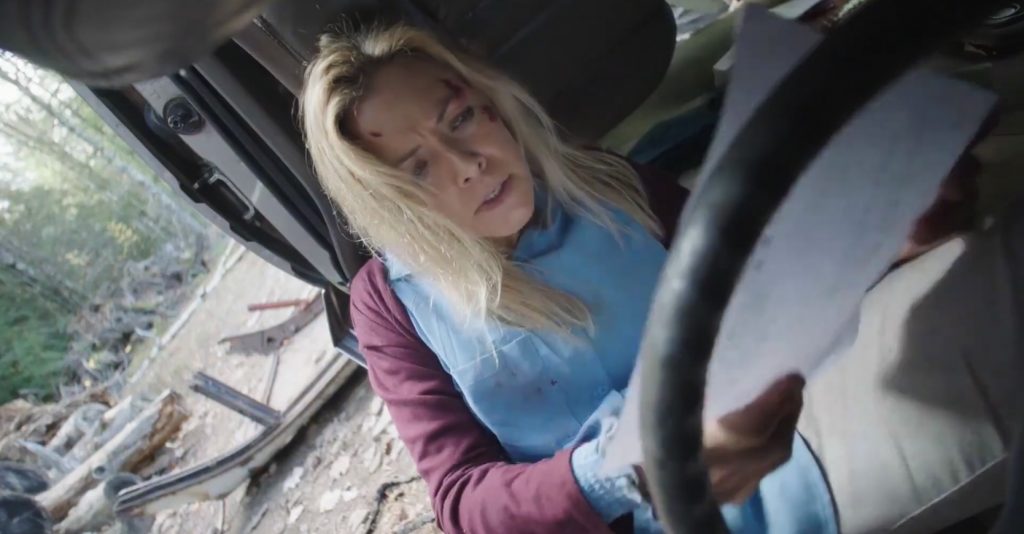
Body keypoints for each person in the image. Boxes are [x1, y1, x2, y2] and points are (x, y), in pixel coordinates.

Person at [300, 23, 1022, 533]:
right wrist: (629, 467)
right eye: (417, 169)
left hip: (793, 390)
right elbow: (463, 501)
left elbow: (746, 273)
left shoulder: (595, 177)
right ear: (390, 203)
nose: (466, 164)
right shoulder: (392, 305)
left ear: (490, 101)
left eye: (459, 118)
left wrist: (876, 238)